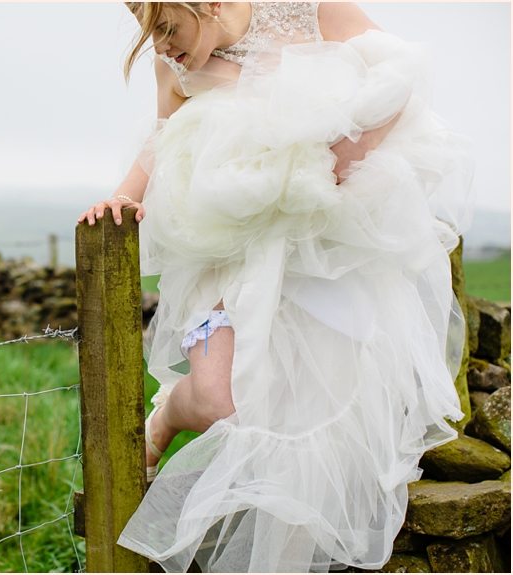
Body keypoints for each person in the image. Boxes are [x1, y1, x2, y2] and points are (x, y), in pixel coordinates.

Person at [79, 3, 471, 572]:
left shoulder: (309, 9)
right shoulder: (176, 65)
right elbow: (161, 142)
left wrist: (330, 169)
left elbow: (400, 76)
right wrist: (125, 195)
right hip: (225, 258)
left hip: (321, 255)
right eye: (150, 35)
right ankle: (167, 415)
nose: (162, 47)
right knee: (221, 401)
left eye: (167, 28)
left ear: (206, 4)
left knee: (309, 430)